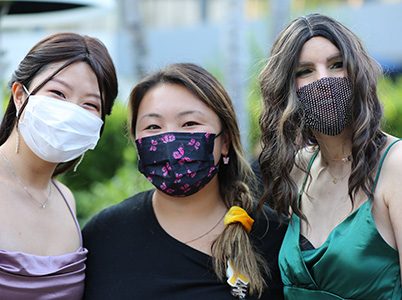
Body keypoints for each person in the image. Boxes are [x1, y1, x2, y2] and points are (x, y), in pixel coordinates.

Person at [83, 63, 286, 300]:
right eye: (153, 126)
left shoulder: (274, 237)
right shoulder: (104, 235)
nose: (169, 138)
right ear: (136, 142)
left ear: (226, 142)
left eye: (190, 124)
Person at [258, 13, 402, 299]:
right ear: (287, 87)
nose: (323, 80)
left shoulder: (396, 165)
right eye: (305, 71)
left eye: (337, 65)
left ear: (357, 73)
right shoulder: (297, 168)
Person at [0, 32, 118, 299]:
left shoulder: (66, 200)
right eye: (58, 93)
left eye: (90, 104)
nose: (71, 112)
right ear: (20, 95)